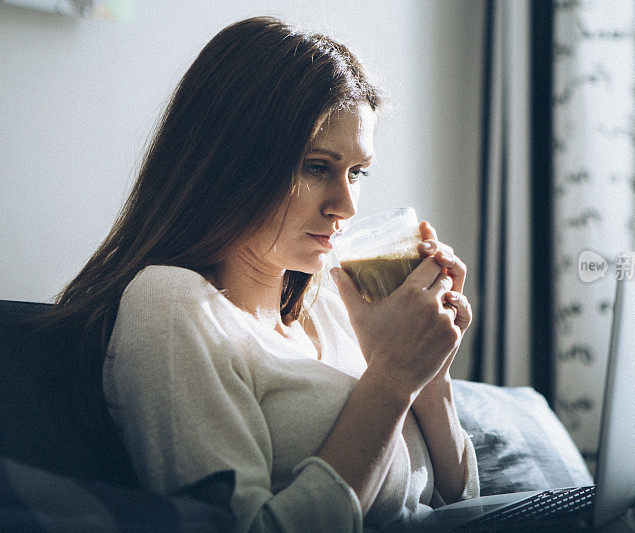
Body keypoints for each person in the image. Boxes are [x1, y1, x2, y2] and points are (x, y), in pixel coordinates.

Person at [43, 16, 479, 533]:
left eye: (357, 172)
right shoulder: (170, 304)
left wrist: (431, 374)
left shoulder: (333, 305)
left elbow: (463, 500)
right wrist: (390, 380)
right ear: (232, 162)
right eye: (317, 167)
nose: (346, 205)